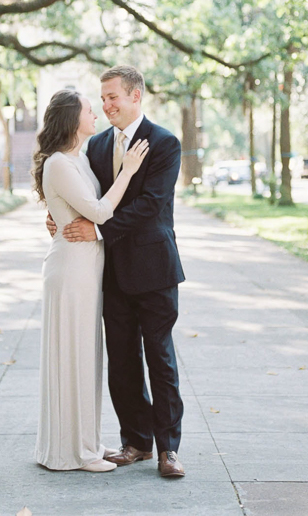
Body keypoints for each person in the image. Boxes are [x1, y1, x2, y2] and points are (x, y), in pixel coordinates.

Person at [50, 65, 188, 478]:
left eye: (113, 97)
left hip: (155, 269)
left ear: (135, 97)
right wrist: (60, 218)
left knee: (160, 358)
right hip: (109, 274)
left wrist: (97, 227)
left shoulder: (165, 143)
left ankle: (169, 450)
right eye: (103, 98)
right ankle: (136, 442)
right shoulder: (95, 147)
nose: (106, 105)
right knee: (123, 362)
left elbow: (151, 204)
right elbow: (88, 196)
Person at [32, 89, 149, 472]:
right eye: (88, 108)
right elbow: (98, 210)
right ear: (71, 119)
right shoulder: (60, 164)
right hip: (71, 272)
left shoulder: (77, 159)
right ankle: (75, 453)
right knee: (74, 358)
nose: (96, 112)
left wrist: (58, 216)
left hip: (87, 269)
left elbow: (74, 208)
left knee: (84, 358)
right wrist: (128, 171)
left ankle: (83, 444)